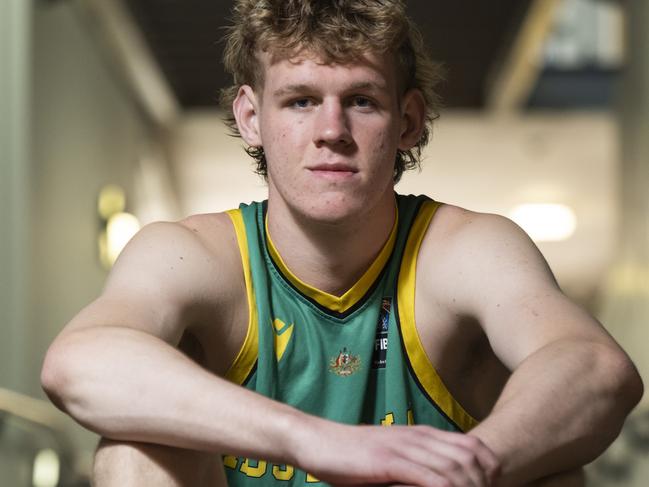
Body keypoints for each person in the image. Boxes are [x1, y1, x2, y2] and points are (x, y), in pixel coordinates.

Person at [41, 1, 643, 486]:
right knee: (132, 455)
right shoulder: (193, 254)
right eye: (300, 101)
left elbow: (594, 368)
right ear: (251, 117)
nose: (332, 132)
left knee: (554, 471)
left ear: (407, 120)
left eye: (361, 101)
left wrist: (461, 467)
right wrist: (319, 443)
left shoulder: (464, 249)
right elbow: (78, 363)